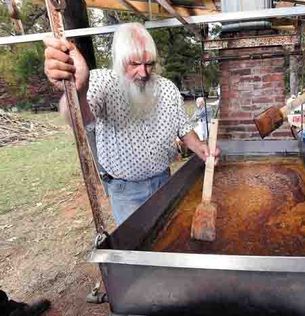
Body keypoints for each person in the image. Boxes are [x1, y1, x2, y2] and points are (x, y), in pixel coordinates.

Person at [43, 23, 219, 225]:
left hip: (164, 181)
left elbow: (184, 129)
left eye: (149, 64)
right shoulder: (101, 82)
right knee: (137, 251)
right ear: (119, 59)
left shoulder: (168, 88)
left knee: (166, 238)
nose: (143, 73)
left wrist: (201, 148)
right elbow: (79, 118)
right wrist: (78, 91)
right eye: (134, 64)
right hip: (126, 192)